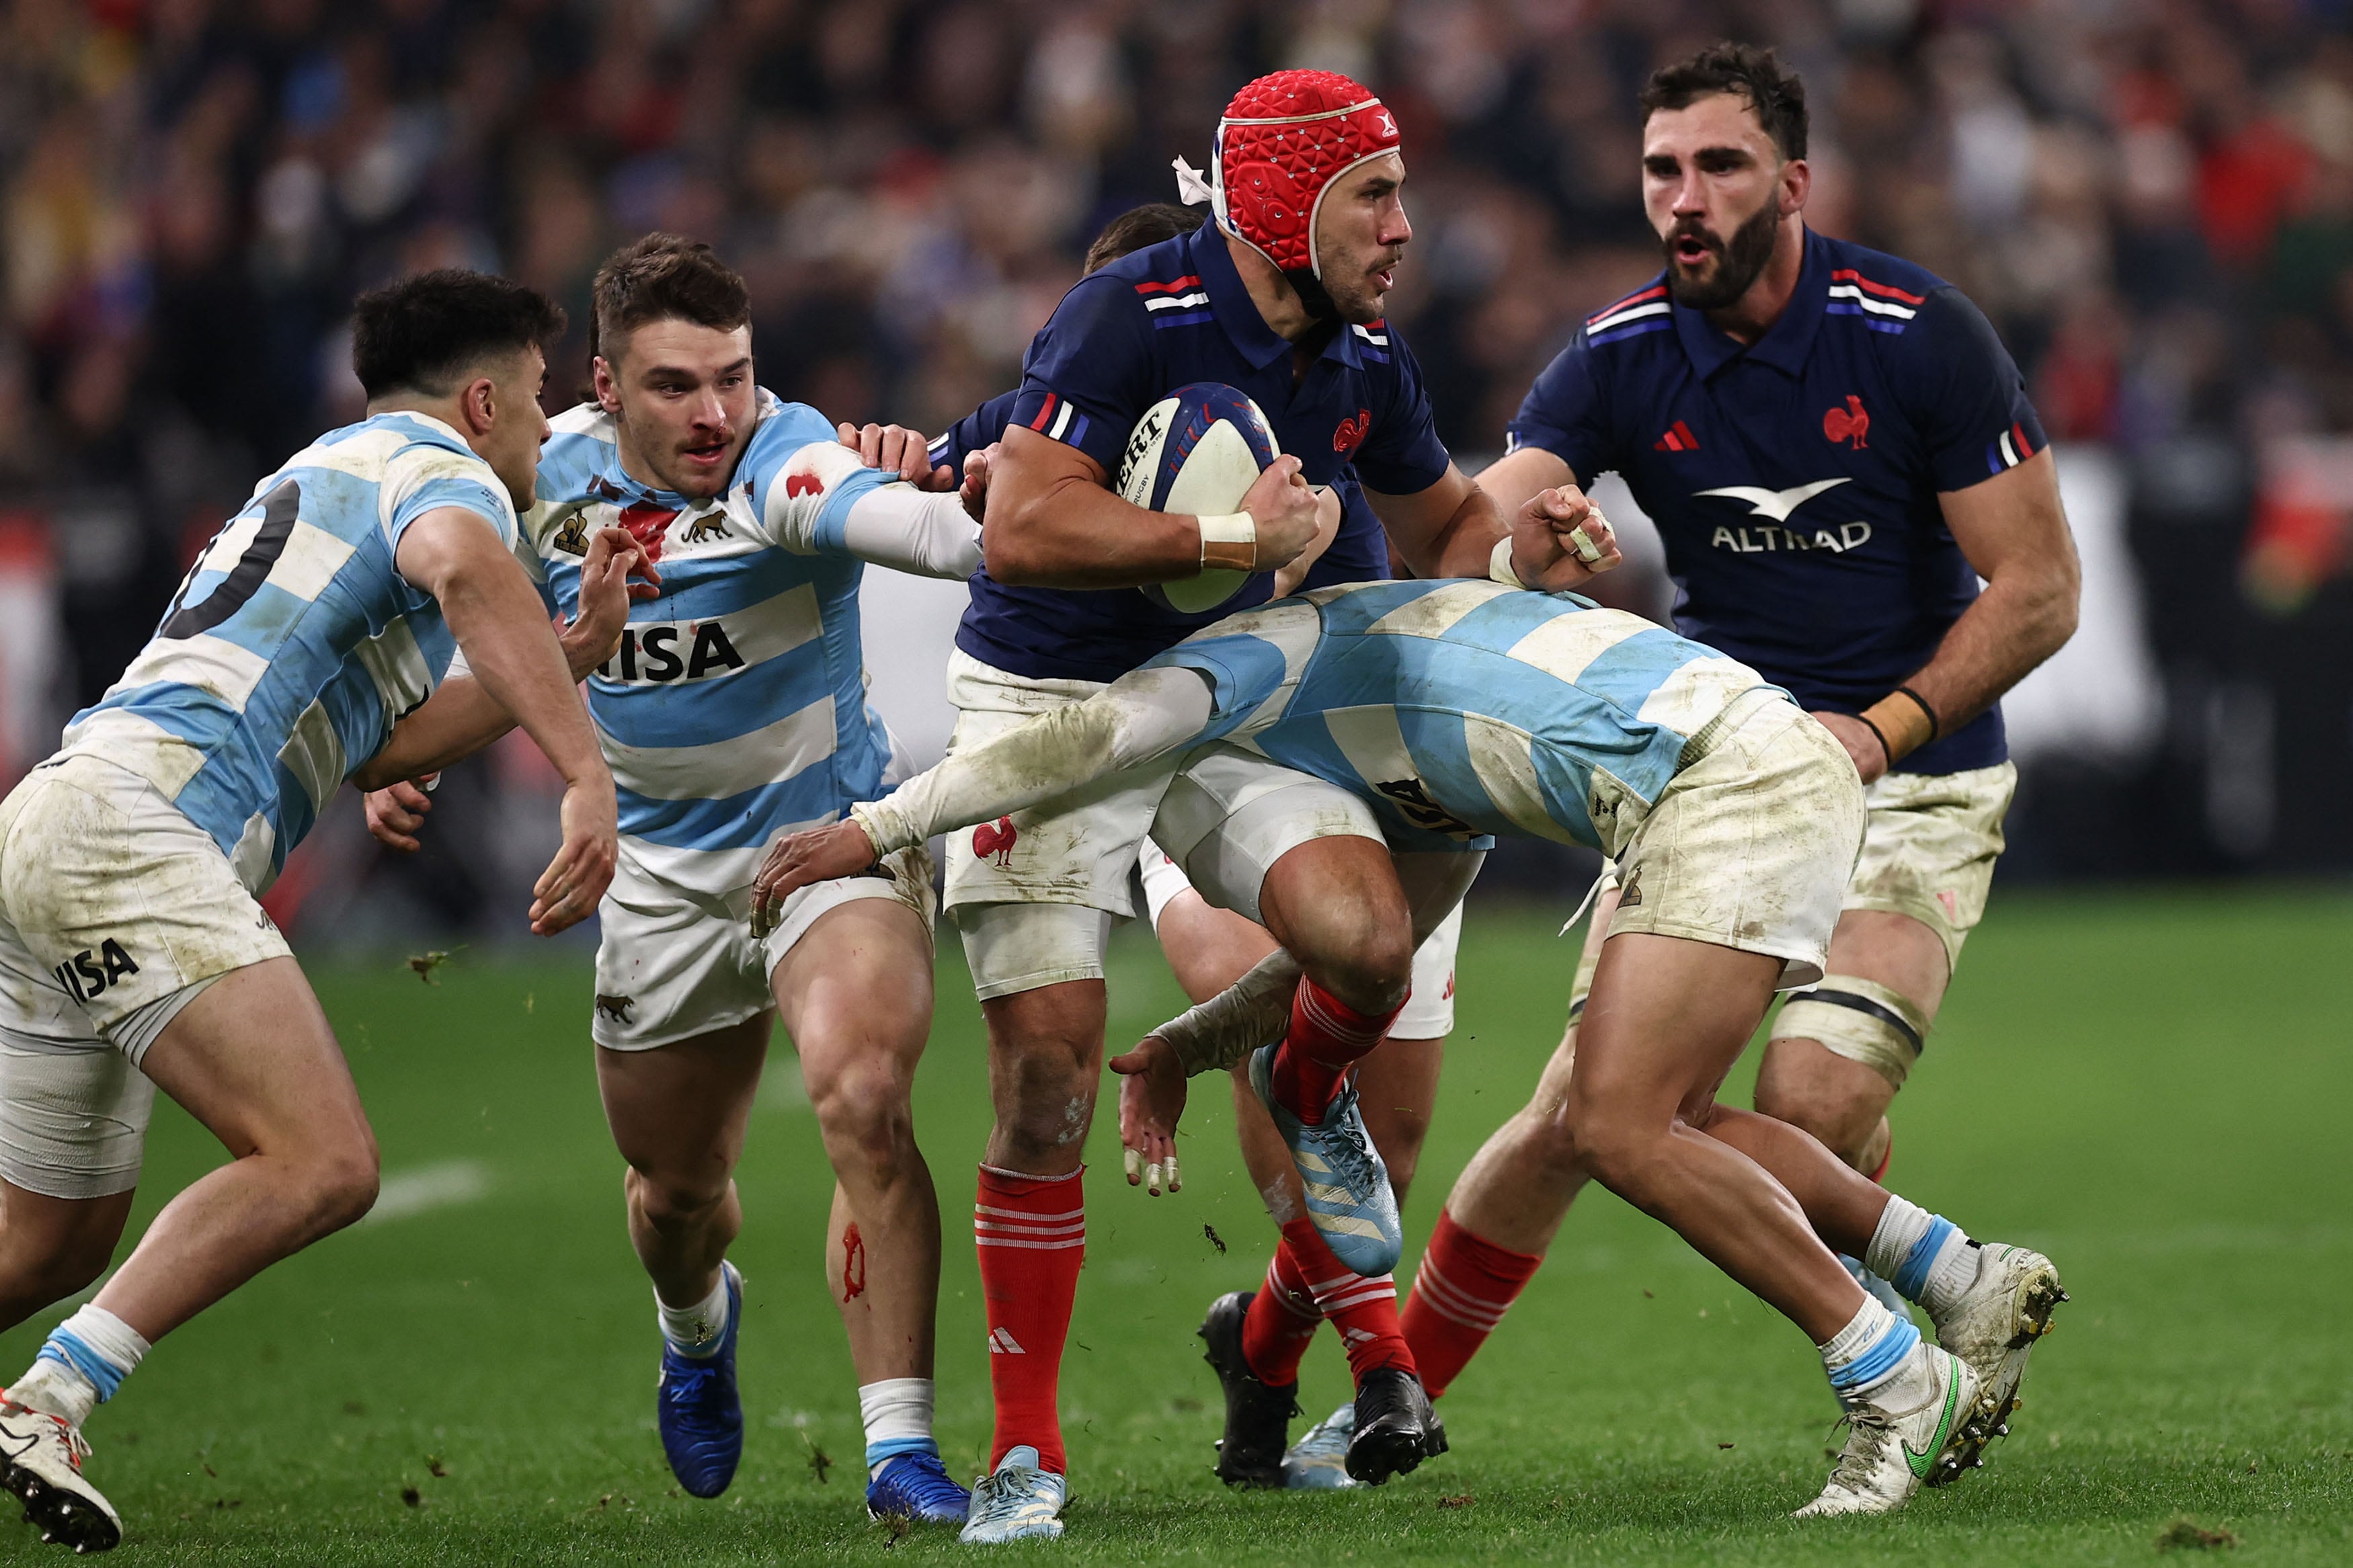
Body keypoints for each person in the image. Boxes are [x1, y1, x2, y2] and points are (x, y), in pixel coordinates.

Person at [750, 573, 2070, 1520]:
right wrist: (1190, 1047)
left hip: (1727, 791)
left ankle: (1893, 1380)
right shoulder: (1392, 744)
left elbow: (1086, 737)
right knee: (1610, 1112)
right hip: (1746, 761)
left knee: (1616, 1125)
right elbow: (1356, 955)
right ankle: (1949, 1273)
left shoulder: (1252, 659)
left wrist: (878, 827)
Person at [924, 68, 1604, 1537]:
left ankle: (1301, 1099)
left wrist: (1521, 545)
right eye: (1374, 193)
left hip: (1229, 699)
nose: (1405, 227)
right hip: (1051, 707)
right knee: (1043, 1081)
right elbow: (1024, 523)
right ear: (1289, 200)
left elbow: (1438, 536)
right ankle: (1027, 1454)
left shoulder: (1364, 353)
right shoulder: (1129, 313)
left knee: (1364, 947)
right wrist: (1237, 530)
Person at [1422, 40, 2079, 1419]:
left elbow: (2040, 590)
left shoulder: (1915, 336)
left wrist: (1879, 733)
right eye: (1662, 170)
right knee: (1578, 1120)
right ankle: (1391, 1396)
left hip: (1915, 783)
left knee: (1809, 1110)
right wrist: (1520, 547)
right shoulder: (1618, 356)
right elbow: (1477, 535)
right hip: (1713, 776)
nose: (1684, 198)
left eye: (1718, 166)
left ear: (1790, 181)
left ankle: (1911, 1311)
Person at [0, 270, 627, 1553]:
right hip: (139, 835)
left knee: (50, 1236)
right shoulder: (438, 468)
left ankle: (50, 1373)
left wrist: (562, 660)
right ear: (485, 395)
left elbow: (379, 747)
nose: (540, 427)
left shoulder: (328, 469)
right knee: (324, 1159)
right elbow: (464, 564)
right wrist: (586, 772)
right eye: (539, 396)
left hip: (60, 818)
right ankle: (51, 1399)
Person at [360, 236, 983, 1526]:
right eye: (675, 386)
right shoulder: (542, 478)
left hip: (829, 842)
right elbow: (440, 602)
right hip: (656, 881)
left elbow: (920, 533)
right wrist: (395, 747)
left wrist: (986, 493)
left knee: (866, 1099)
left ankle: (899, 1451)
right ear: (602, 384)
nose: (713, 414)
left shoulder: (787, 457)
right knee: (677, 1197)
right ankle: (698, 1327)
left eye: (734, 377)